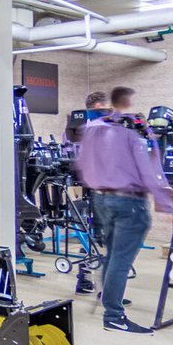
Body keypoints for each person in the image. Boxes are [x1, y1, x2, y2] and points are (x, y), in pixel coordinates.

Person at [75, 86, 173, 334]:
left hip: (102, 199)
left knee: (112, 255)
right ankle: (114, 316)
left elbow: (82, 166)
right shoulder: (132, 135)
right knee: (121, 259)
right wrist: (170, 207)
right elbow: (149, 172)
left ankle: (109, 298)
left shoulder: (91, 131)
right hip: (129, 203)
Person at [72, 91, 112, 295]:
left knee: (92, 238)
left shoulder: (78, 126)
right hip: (101, 191)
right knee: (102, 239)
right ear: (98, 106)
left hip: (90, 188)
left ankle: (85, 281)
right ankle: (106, 291)